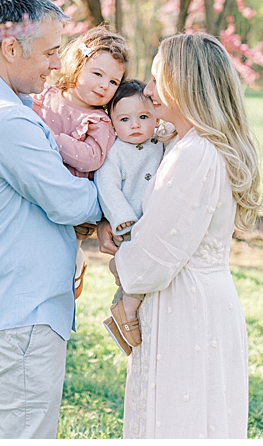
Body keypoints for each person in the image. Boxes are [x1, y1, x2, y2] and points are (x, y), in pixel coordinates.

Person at [0, 0, 106, 438]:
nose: (58, 64)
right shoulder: (4, 119)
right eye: (51, 52)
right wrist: (122, 200)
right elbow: (68, 201)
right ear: (12, 47)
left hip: (13, 304)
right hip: (18, 312)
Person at [108, 32, 263, 438]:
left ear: (185, 84)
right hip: (199, 298)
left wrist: (118, 262)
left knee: (180, 421)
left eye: (159, 79)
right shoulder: (186, 144)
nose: (147, 89)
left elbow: (152, 259)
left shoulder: (195, 155)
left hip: (186, 306)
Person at [32, 26, 129, 299]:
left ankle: (73, 263)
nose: (103, 85)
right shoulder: (45, 97)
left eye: (113, 82)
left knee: (61, 246)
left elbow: (90, 158)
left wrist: (52, 138)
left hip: (69, 203)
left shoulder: (100, 122)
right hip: (35, 187)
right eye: (97, 74)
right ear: (75, 65)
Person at [94, 79, 167, 354]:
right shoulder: (115, 153)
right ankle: (128, 310)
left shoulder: (159, 142)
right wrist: (120, 217)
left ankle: (121, 315)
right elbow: (107, 186)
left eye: (143, 117)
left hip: (153, 222)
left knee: (139, 275)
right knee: (140, 273)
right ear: (112, 122)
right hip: (129, 224)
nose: (135, 125)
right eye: (125, 119)